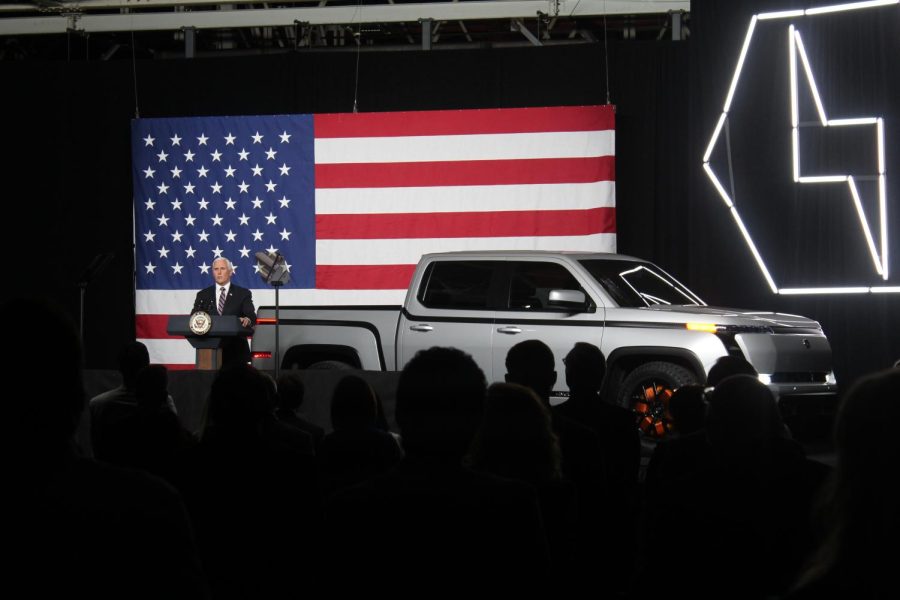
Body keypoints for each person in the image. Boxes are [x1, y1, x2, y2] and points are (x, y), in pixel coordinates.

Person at [192, 256, 256, 367]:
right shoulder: (203, 295)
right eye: (216, 269)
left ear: (230, 272)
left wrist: (247, 319)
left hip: (236, 351)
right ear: (212, 272)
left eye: (223, 269)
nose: (219, 272)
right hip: (209, 351)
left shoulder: (243, 293)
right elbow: (194, 317)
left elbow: (251, 316)